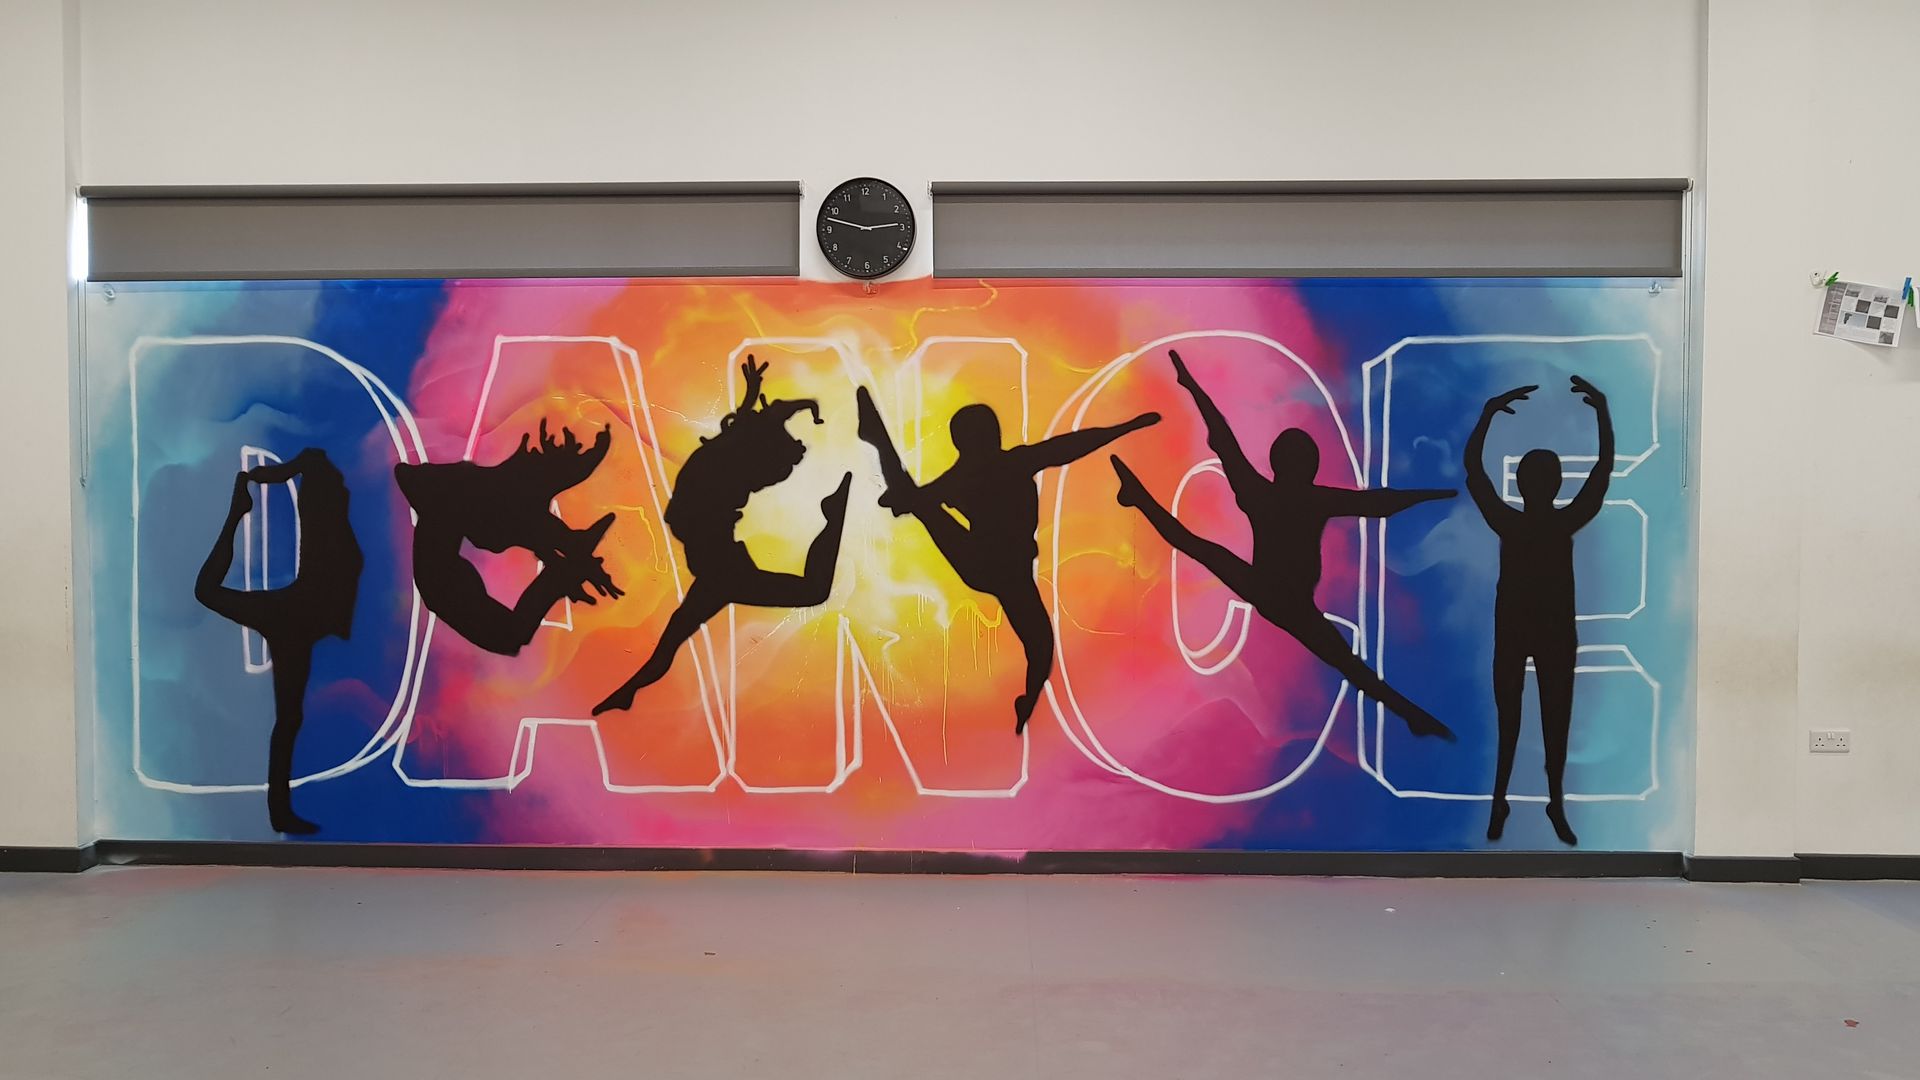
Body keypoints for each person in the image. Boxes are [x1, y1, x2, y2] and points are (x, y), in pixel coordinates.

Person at [1109, 349, 1457, 741]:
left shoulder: (1276, 494)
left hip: (1271, 593)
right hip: (1282, 598)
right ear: (1305, 465)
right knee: (1349, 665)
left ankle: (1412, 715)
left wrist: (1193, 389)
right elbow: (1378, 503)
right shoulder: (1307, 498)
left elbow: (1223, 441)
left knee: (1195, 545)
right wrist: (1433, 494)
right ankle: (1410, 714)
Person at [857, 385, 1159, 734]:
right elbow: (911, 500)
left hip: (1002, 571)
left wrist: (1124, 428)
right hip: (986, 564)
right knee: (922, 503)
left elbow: (1070, 446)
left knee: (1041, 645)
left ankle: (1027, 701)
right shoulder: (979, 473)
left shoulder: (1002, 466)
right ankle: (877, 438)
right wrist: (905, 498)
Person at [595, 356, 851, 716]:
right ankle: (833, 516)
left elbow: (753, 427)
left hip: (722, 568)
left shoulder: (723, 461)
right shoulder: (725, 466)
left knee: (676, 635)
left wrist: (778, 405)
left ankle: (631, 689)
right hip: (721, 567)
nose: (771, 478)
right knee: (812, 590)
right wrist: (796, 406)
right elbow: (758, 426)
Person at [1465, 376, 1612, 846]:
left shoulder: (1511, 520)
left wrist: (1488, 414)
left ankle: (1533, 801)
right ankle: (1519, 801)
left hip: (1538, 632)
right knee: (1542, 718)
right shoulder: (1556, 520)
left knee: (1538, 718)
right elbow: (1601, 473)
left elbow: (1474, 471)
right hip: (1531, 631)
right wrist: (1601, 413)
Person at [194, 449, 363, 834]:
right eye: (338, 486)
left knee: (290, 719)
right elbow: (310, 460)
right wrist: (262, 478)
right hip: (296, 615)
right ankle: (279, 811)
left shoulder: (334, 523)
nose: (345, 486)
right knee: (289, 719)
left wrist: (264, 477)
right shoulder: (325, 511)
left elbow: (305, 464)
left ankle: (280, 810)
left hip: (300, 615)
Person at [396, 420, 622, 657]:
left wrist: (569, 552)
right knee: (511, 636)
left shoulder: (482, 495)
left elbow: (521, 526)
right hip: (445, 576)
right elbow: (511, 526)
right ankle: (561, 576)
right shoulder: (477, 495)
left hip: (447, 571)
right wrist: (568, 556)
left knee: (511, 636)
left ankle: (562, 575)